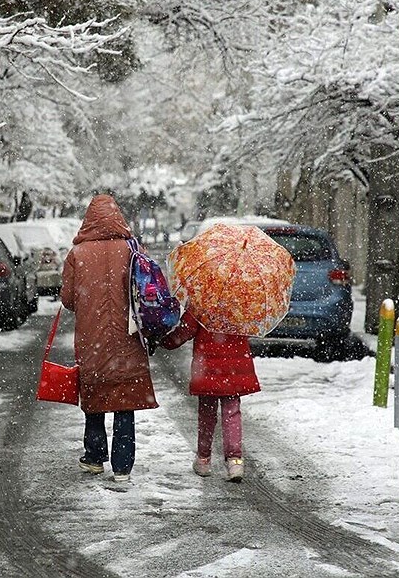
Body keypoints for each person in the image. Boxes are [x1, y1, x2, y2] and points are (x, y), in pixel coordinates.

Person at [60, 194, 158, 482]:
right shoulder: (132, 249)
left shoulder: (77, 254)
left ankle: (94, 456)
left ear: (89, 219)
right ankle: (123, 465)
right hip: (129, 337)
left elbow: (68, 299)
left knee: (95, 393)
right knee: (124, 398)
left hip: (92, 339)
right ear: (118, 216)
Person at [160, 307, 260, 482]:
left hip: (207, 367)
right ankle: (235, 461)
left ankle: (203, 460)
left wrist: (164, 342)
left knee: (207, 414)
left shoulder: (202, 300)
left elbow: (185, 331)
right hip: (235, 367)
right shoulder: (242, 300)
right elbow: (252, 329)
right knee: (232, 413)